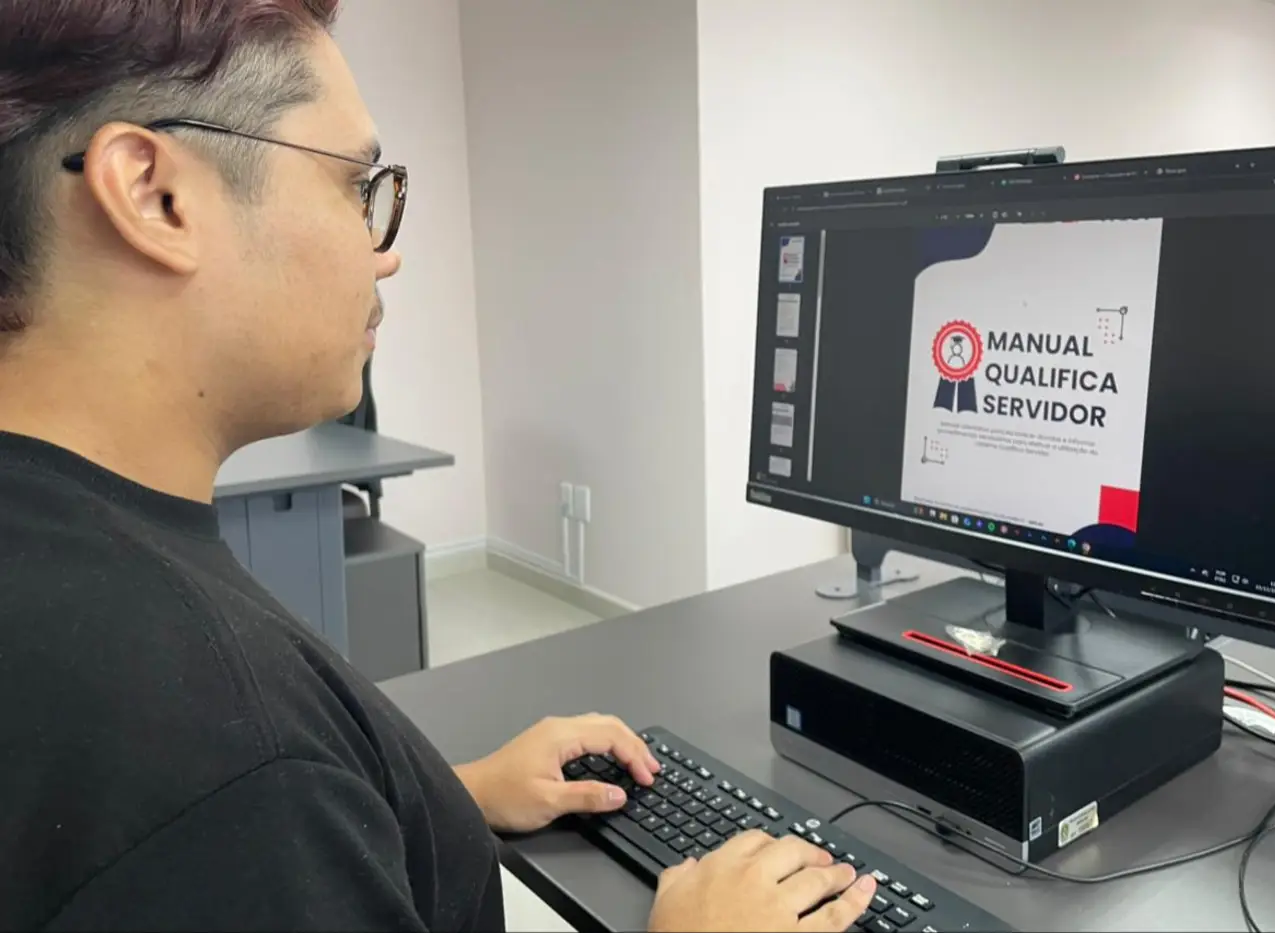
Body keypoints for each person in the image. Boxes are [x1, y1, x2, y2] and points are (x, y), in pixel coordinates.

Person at [0, 2, 876, 931]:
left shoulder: (66, 566)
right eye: (356, 186)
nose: (385, 254)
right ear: (155, 195)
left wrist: (435, 798)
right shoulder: (229, 763)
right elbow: (235, 818)